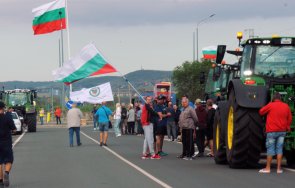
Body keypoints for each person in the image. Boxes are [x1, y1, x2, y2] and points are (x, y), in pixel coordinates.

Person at [258, 92, 292, 173]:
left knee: (270, 149)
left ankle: (268, 168)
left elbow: (261, 112)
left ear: (273, 98)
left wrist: (269, 103)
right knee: (279, 149)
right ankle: (278, 169)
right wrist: (287, 127)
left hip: (272, 132)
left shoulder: (271, 105)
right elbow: (289, 118)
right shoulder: (286, 106)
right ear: (281, 98)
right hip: (282, 132)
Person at [0, 101, 16, 187]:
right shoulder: (7, 117)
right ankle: (6, 173)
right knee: (9, 160)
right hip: (6, 142)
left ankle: (1, 181)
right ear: (3, 108)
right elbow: (14, 129)